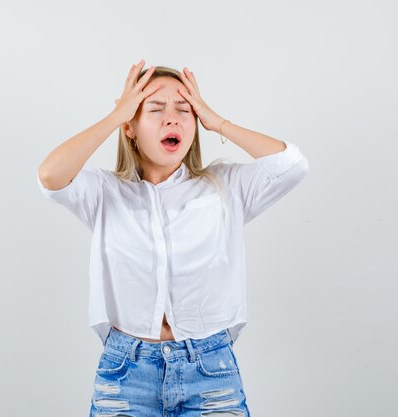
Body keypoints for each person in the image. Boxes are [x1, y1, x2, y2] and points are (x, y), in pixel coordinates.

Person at [36, 59, 309, 417]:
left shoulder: (225, 187)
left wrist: (217, 120)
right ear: (131, 127)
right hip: (126, 374)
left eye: (185, 109)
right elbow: (50, 177)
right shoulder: (105, 193)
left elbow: (292, 165)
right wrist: (115, 117)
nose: (172, 118)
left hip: (210, 373)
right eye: (154, 109)